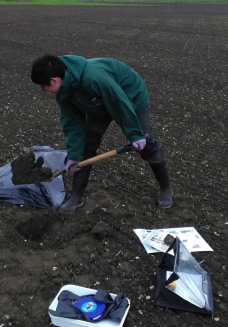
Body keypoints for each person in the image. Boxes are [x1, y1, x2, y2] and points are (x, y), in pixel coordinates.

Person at [31, 54, 173, 213]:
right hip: (98, 105)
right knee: (87, 146)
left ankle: (165, 187)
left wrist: (135, 134)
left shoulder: (93, 78)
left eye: (43, 86)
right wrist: (74, 155)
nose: (44, 90)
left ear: (54, 80)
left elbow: (119, 102)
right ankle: (76, 197)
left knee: (146, 143)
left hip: (129, 96)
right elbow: (72, 123)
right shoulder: (63, 93)